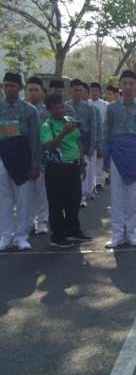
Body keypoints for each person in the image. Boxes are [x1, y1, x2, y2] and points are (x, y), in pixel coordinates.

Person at [103, 70, 136, 249]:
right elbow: (107, 133)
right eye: (124, 83)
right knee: (116, 197)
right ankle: (117, 234)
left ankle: (131, 233)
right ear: (120, 85)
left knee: (134, 198)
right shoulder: (112, 108)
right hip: (117, 155)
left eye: (130, 83)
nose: (127, 86)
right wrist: (106, 158)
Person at [40, 93, 89, 248]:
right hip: (56, 168)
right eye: (56, 108)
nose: (61, 110)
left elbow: (77, 141)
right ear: (49, 110)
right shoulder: (47, 125)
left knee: (74, 200)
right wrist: (63, 132)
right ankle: (58, 236)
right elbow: (50, 146)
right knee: (56, 203)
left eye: (62, 106)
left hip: (73, 167)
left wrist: (82, 162)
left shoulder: (69, 121)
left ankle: (73, 230)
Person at [0, 72, 40, 251]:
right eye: (5, 85)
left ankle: (21, 236)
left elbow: (35, 140)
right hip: (2, 158)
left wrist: (34, 164)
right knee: (4, 199)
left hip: (23, 158)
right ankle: (5, 236)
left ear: (20, 88)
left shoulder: (30, 111)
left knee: (24, 200)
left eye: (12, 86)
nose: (8, 89)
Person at [65, 80, 97, 207]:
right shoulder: (65, 107)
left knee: (83, 171)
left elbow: (93, 127)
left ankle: (82, 196)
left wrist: (92, 146)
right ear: (70, 91)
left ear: (83, 92)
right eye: (75, 90)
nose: (78, 93)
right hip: (68, 145)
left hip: (84, 143)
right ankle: (70, 195)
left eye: (80, 90)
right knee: (70, 172)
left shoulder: (89, 108)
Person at [26, 76, 50, 235]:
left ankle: (42, 221)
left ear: (42, 93)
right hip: (24, 157)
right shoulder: (24, 110)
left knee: (42, 191)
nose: (33, 93)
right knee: (26, 193)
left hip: (43, 158)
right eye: (30, 90)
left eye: (36, 90)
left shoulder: (47, 112)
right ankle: (28, 221)